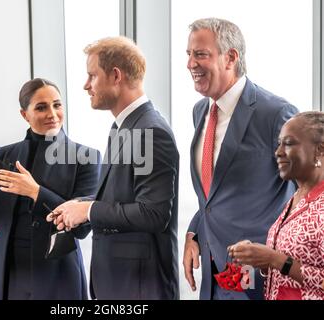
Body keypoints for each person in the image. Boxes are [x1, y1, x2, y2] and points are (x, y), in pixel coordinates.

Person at [47, 36, 180, 300]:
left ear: (116, 76)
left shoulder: (150, 131)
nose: (86, 85)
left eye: (92, 76)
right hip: (119, 284)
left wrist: (88, 210)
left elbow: (152, 213)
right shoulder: (123, 126)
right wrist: (79, 205)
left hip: (139, 288)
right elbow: (123, 197)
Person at [183, 17, 299, 300]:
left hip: (258, 272)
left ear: (230, 57)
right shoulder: (201, 111)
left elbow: (308, 194)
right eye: (189, 55)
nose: (190, 64)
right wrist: (193, 234)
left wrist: (279, 257)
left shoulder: (276, 113)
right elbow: (213, 194)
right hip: (213, 271)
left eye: (200, 54)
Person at [0, 78, 100, 300]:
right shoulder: (0, 156)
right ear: (24, 114)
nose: (52, 113)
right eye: (41, 107)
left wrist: (35, 192)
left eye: (57, 105)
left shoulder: (86, 158)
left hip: (59, 275)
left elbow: (81, 230)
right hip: (9, 275)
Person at [229, 112, 324, 300]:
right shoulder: (296, 198)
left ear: (319, 150)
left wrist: (276, 260)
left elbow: (285, 264)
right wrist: (261, 261)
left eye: (288, 143)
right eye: (279, 143)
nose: (278, 152)